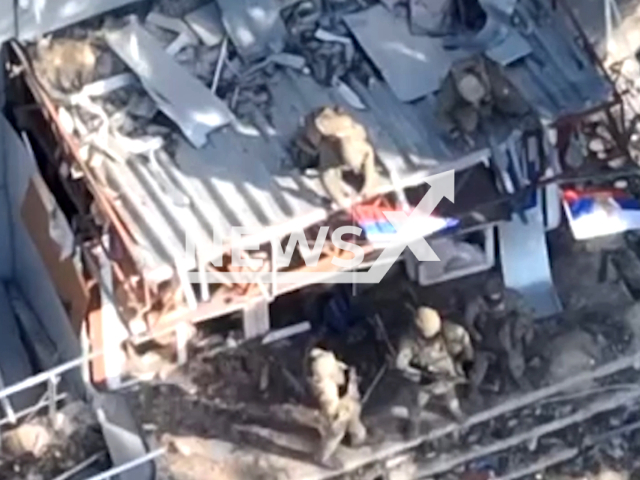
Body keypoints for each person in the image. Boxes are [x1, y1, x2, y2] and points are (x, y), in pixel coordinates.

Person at [395, 307, 472, 437]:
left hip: (447, 373)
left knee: (451, 398)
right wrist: (420, 378)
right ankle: (414, 424)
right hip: (425, 383)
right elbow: (401, 365)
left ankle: (456, 412)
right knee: (417, 404)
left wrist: (466, 363)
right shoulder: (408, 342)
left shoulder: (449, 330)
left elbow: (464, 339)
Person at [295, 106, 378, 208]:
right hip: (323, 138)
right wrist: (340, 199)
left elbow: (368, 153)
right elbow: (327, 174)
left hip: (345, 136)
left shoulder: (356, 140)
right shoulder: (327, 145)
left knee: (353, 158)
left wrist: (368, 185)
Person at [464, 276, 535, 391]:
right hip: (486, 337)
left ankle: (522, 381)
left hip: (508, 335)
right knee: (478, 369)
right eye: (491, 298)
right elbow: (468, 320)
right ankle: (473, 392)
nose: (494, 302)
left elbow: (527, 314)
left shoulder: (513, 297)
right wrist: (474, 333)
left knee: (515, 363)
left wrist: (518, 330)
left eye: (497, 297)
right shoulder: (478, 302)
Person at [435, 55, 529, 138]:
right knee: (469, 124)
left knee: (504, 93)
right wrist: (452, 129)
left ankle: (523, 112)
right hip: (467, 106)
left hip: (491, 93)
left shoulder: (489, 71)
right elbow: (440, 113)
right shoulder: (449, 89)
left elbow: (505, 85)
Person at [309, 348, 366, 468]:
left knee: (355, 424)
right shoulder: (325, 388)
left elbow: (344, 374)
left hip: (348, 402)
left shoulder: (334, 366)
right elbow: (330, 407)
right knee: (334, 434)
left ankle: (357, 439)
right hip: (339, 410)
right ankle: (322, 457)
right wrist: (337, 417)